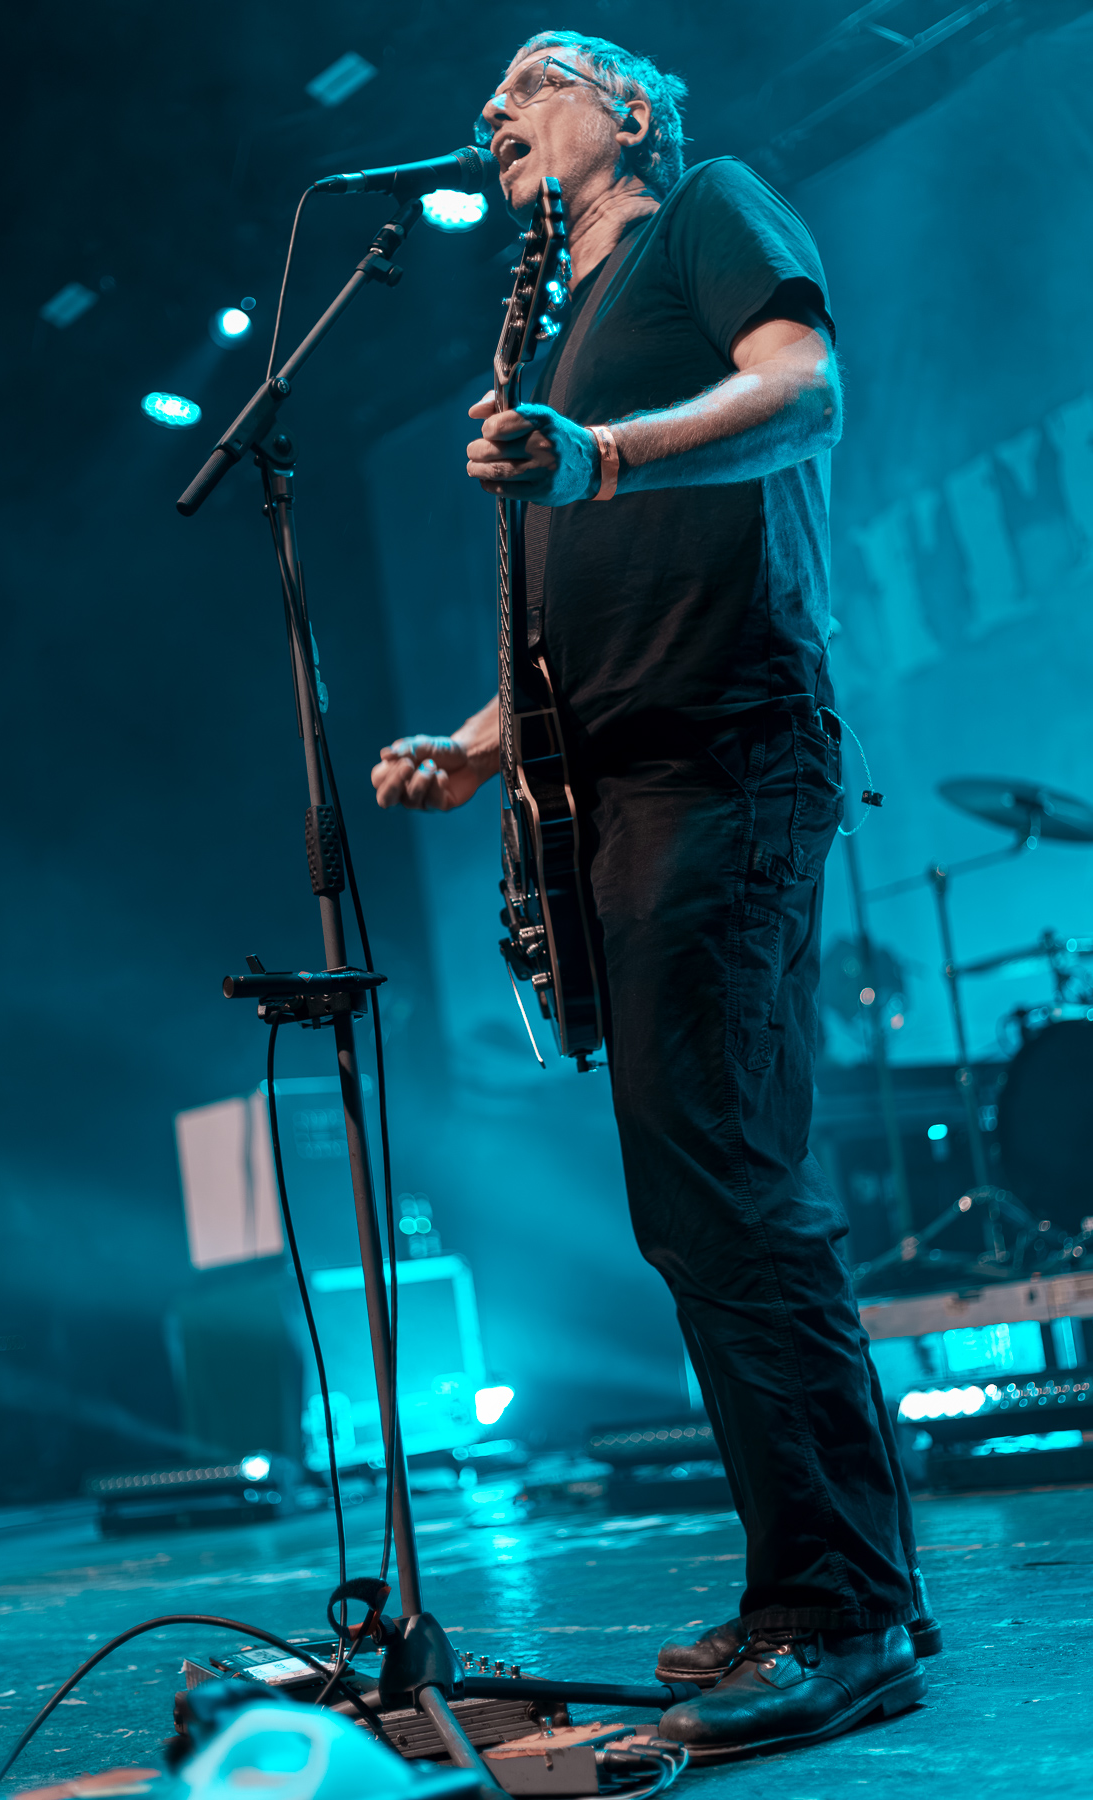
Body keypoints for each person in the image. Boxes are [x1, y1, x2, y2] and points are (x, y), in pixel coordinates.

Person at [371, 30, 940, 1762]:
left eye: (534, 80)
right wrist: (479, 746)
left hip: (730, 759)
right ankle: (822, 1588)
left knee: (732, 1183)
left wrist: (599, 454)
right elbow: (593, 607)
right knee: (690, 1201)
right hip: (618, 788)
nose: (495, 112)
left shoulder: (709, 210)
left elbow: (808, 392)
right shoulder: (556, 331)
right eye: (490, 98)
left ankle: (845, 1615)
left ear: (626, 108)